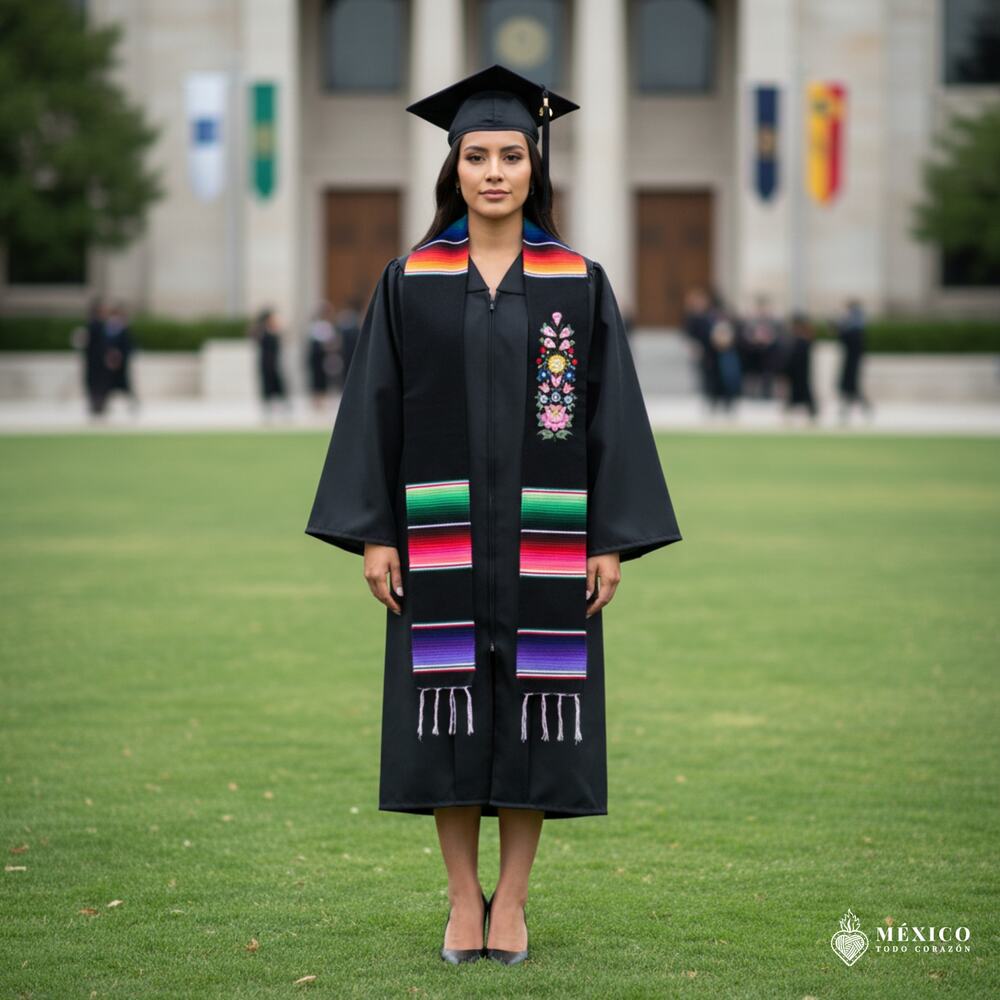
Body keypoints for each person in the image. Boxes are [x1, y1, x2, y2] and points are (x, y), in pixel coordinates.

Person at [304, 64, 682, 966]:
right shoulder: (410, 282)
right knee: (449, 716)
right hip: (440, 544)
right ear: (455, 168)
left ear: (534, 167)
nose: (495, 172)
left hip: (547, 546)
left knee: (535, 715)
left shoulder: (578, 284)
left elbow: (611, 416)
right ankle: (458, 902)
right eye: (478, 156)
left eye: (512, 154)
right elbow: (375, 409)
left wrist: (610, 544)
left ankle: (510, 901)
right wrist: (376, 530)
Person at [835, 298, 874, 422]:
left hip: (853, 361)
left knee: (852, 387)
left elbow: (847, 339)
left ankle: (852, 410)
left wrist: (840, 330)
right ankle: (847, 410)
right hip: (850, 360)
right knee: (850, 388)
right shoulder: (854, 324)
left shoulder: (855, 325)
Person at [251, 307, 290, 418]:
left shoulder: (274, 331)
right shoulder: (262, 332)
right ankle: (267, 408)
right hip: (265, 363)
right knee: (267, 385)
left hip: (274, 363)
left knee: (279, 384)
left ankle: (283, 406)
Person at [104, 302, 139, 415]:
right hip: (111, 363)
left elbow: (129, 346)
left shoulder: (124, 329)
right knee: (109, 385)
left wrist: (120, 356)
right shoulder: (108, 328)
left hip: (122, 363)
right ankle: (105, 405)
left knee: (125, 385)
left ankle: (132, 404)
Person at [80, 296, 111, 418]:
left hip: (99, 360)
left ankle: (99, 404)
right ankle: (96, 404)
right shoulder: (94, 325)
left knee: (100, 382)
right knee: (95, 382)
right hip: (95, 360)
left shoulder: (101, 325)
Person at [784, 311, 818, 422]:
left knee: (803, 389)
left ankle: (811, 410)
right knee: (796, 390)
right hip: (796, 370)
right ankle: (793, 408)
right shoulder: (798, 337)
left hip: (801, 370)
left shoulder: (804, 338)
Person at [305, 301, 336, 409]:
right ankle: (317, 400)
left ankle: (320, 400)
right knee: (317, 378)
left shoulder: (323, 325)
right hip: (317, 356)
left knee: (321, 378)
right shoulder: (319, 325)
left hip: (322, 356)